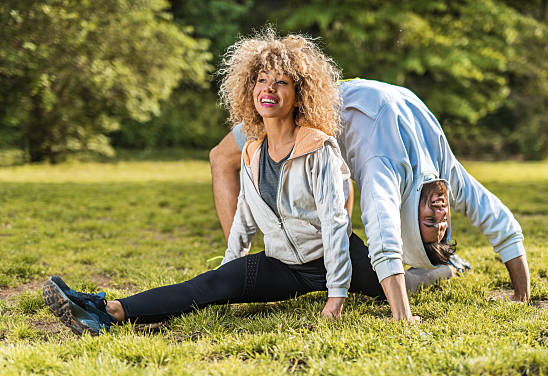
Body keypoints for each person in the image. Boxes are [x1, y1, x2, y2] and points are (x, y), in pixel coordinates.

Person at [42, 32, 403, 336]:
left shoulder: (317, 148)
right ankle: (106, 311)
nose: (269, 89)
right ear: (250, 88)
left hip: (335, 258)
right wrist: (231, 269)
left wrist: (335, 297)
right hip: (283, 264)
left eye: (281, 82)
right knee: (209, 285)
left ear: (300, 94)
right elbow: (245, 218)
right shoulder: (252, 151)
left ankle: (442, 267)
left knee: (398, 283)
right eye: (261, 80)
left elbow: (336, 225)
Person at [211, 78, 531, 321]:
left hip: (329, 105)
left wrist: (403, 316)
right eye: (441, 223)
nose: (440, 211)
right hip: (323, 98)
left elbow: (384, 235)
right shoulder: (433, 171)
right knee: (222, 159)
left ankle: (282, 267)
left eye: (431, 221)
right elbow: (498, 220)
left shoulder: (391, 170)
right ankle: (238, 271)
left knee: (337, 174)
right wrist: (521, 293)